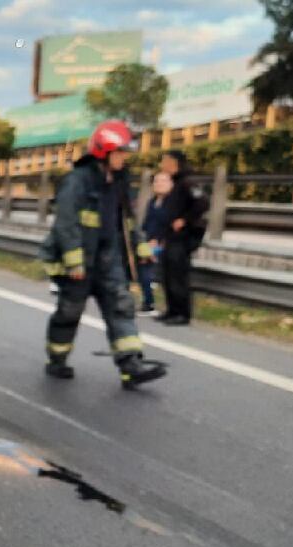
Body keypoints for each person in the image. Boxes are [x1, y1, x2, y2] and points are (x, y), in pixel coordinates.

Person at [38, 119, 166, 389]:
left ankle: (131, 365)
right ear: (103, 152)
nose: (123, 158)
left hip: (108, 259)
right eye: (119, 152)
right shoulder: (78, 180)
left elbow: (128, 218)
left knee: (121, 307)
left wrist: (140, 245)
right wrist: (73, 259)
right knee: (69, 312)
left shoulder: (119, 182)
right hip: (79, 261)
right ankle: (57, 359)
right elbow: (66, 221)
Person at [155, 150, 209, 326]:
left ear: (174, 163)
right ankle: (171, 310)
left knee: (178, 275)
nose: (162, 166)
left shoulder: (189, 181)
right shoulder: (174, 183)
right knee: (167, 273)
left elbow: (202, 203)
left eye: (165, 162)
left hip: (184, 235)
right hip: (171, 236)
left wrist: (184, 220)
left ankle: (183, 314)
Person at [138, 171, 174, 316]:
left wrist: (158, 242)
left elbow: (168, 225)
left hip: (165, 243)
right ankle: (148, 301)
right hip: (150, 242)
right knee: (142, 266)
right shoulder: (152, 202)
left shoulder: (172, 203)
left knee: (148, 268)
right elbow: (146, 224)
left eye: (163, 181)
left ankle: (151, 301)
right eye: (156, 181)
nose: (159, 184)